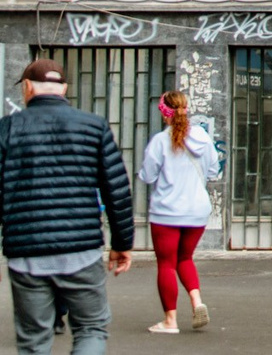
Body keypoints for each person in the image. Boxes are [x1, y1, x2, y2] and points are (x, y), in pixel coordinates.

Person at [0, 58, 133, 355]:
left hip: (27, 254)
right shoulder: (93, 126)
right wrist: (122, 243)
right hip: (81, 251)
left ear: (27, 87)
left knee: (33, 341)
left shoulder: (7, 128)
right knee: (91, 329)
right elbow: (117, 189)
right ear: (64, 88)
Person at [138, 90, 215, 334]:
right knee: (185, 258)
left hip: (167, 212)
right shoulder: (203, 138)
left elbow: (147, 175)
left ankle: (170, 321)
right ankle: (197, 301)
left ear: (164, 113)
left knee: (166, 264)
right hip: (197, 211)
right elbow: (214, 171)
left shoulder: (160, 141)